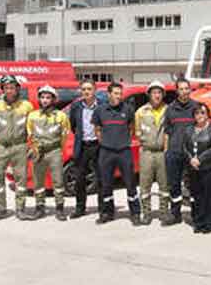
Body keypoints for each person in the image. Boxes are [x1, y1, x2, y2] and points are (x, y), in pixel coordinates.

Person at [92, 82, 142, 226]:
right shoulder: (100, 110)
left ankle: (135, 213)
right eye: (115, 93)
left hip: (124, 152)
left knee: (130, 183)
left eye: (120, 94)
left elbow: (131, 128)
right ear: (109, 94)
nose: (118, 96)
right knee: (106, 184)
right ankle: (107, 213)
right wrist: (106, 142)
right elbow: (97, 130)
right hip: (106, 152)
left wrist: (122, 141)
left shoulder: (128, 109)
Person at [0, 75, 36, 222]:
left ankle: (20, 209)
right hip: (2, 146)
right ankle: (0, 209)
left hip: (20, 146)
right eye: (6, 88)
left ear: (17, 88)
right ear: (2, 89)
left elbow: (31, 127)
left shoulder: (27, 106)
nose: (10, 90)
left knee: (21, 179)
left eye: (12, 87)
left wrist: (32, 146)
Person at [27, 85, 71, 221]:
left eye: (48, 97)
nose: (45, 100)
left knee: (58, 181)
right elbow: (30, 134)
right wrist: (34, 148)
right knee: (38, 182)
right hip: (38, 152)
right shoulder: (33, 115)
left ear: (53, 99)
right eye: (42, 97)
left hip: (54, 151)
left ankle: (60, 208)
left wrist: (58, 148)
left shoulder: (61, 116)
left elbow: (65, 134)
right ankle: (39, 207)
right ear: (39, 99)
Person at [163, 77, 198, 226]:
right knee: (174, 184)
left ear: (189, 90)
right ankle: (175, 214)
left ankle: (196, 214)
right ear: (177, 91)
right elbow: (167, 132)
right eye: (181, 89)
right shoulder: (170, 109)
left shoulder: (196, 108)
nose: (184, 91)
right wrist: (166, 151)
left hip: (191, 153)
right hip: (174, 152)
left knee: (194, 185)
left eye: (186, 88)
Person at [134, 80, 169, 225]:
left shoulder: (168, 110)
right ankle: (146, 213)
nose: (157, 95)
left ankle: (164, 212)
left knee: (164, 185)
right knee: (145, 184)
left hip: (162, 152)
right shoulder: (141, 112)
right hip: (146, 152)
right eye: (154, 92)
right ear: (149, 94)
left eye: (159, 92)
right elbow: (137, 131)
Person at [183, 103, 211, 233]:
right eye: (197, 113)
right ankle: (198, 222)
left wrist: (200, 159)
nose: (200, 116)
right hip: (193, 168)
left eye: (203, 113)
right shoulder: (188, 129)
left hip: (208, 167)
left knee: (209, 196)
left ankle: (209, 223)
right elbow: (184, 147)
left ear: (207, 115)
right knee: (196, 196)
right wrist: (191, 159)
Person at [68, 79, 102, 219]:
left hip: (98, 145)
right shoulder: (76, 106)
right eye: (84, 89)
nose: (86, 92)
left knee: (101, 178)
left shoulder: (102, 106)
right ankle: (80, 208)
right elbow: (73, 125)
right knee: (80, 179)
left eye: (89, 89)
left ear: (95, 90)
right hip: (82, 145)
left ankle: (103, 208)